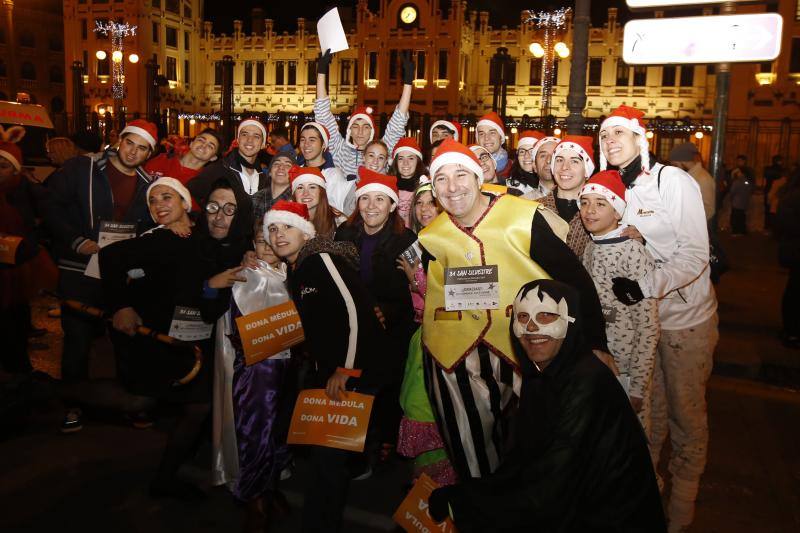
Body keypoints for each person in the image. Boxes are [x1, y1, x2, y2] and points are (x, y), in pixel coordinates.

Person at [420, 139, 608, 480]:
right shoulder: (432, 236)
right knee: (471, 451)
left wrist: (596, 342)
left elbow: (575, 280)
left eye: (461, 174)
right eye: (441, 179)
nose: (452, 186)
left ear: (479, 179)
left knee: (554, 442)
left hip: (530, 346)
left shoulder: (522, 218)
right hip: (458, 350)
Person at [427, 280, 666, 533]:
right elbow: (527, 461)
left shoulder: (587, 383)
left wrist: (463, 504)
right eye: (522, 316)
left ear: (570, 321)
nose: (531, 327)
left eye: (547, 315)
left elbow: (552, 484)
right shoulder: (541, 374)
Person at [598, 104, 718, 532]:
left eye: (619, 133)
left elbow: (694, 255)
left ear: (639, 138)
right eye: (605, 134)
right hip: (639, 325)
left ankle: (682, 509)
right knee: (648, 415)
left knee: (686, 416)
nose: (611, 140)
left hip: (685, 318)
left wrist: (645, 285)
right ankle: (648, 496)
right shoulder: (612, 187)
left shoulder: (674, 181)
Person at [100, 177, 253, 500]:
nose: (160, 206)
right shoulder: (165, 238)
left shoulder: (201, 234)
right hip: (165, 339)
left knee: (196, 406)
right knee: (153, 401)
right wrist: (121, 305)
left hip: (197, 340)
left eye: (167, 198)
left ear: (186, 202)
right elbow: (111, 257)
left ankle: (174, 469)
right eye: (153, 201)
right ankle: (62, 393)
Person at [265, 200, 393, 532]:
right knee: (327, 458)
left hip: (356, 370)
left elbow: (355, 310)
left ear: (304, 231)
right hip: (334, 370)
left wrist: (346, 369)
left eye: (286, 227)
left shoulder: (319, 259)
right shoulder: (297, 269)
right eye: (273, 229)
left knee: (330, 458)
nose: (279, 235)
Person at [39, 119, 159, 433]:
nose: (134, 151)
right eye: (130, 142)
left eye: (142, 147)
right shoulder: (83, 168)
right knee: (77, 339)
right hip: (80, 267)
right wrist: (75, 240)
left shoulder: (149, 184)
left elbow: (149, 226)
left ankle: (129, 402)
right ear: (119, 140)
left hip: (120, 274)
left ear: (149, 153)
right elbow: (51, 204)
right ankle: (73, 404)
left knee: (126, 339)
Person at [211, 219, 293, 530]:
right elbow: (234, 325)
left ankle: (271, 489)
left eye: (275, 238)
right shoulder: (248, 275)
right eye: (261, 240)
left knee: (278, 434)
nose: (268, 245)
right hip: (257, 370)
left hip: (286, 367)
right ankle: (254, 498)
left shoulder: (289, 273)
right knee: (256, 433)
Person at [335, 167, 417, 464]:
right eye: (365, 199)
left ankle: (384, 440)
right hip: (351, 326)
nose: (371, 206)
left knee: (385, 389)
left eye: (379, 200)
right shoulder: (344, 233)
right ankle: (351, 447)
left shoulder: (406, 240)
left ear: (393, 205)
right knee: (354, 389)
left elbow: (413, 291)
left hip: (390, 329)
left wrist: (388, 311)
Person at [579, 170, 659, 434]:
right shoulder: (592, 246)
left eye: (600, 204)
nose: (589, 211)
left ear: (617, 212)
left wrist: (638, 385)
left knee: (633, 441)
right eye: (585, 202)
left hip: (626, 366)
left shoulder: (633, 252)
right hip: (601, 362)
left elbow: (648, 324)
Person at [396, 178, 456, 486]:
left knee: (442, 417)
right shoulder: (413, 245)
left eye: (431, 202)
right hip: (420, 339)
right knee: (419, 408)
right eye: (419, 203)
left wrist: (416, 280)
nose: (423, 209)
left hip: (448, 341)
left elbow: (459, 303)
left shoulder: (455, 241)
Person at [314, 48, 413, 179]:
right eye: (355, 126)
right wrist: (321, 72)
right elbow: (323, 114)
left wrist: (408, 82)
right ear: (349, 130)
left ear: (372, 130)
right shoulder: (338, 148)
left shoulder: (381, 149)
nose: (360, 132)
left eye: (366, 127)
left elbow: (398, 121)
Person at [0, 135, 43, 375]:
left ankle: (19, 375)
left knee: (13, 322)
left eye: (4, 166)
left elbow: (33, 227)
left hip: (15, 270)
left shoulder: (20, 191)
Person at [188, 119, 270, 204]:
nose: (249, 140)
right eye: (244, 134)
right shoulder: (217, 169)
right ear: (238, 140)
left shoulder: (266, 178)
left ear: (263, 144)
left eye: (256, 136)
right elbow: (189, 198)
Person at [538, 135, 595, 258]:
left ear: (587, 170)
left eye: (574, 161)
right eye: (559, 160)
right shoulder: (534, 208)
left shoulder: (601, 213)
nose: (564, 167)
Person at [297, 121, 354, 215]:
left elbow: (343, 212)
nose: (306, 144)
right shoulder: (296, 171)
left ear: (323, 145)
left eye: (312, 140)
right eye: (303, 140)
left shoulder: (334, 175)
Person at [774, 169, 800, 348]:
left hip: (792, 250)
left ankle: (790, 329)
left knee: (793, 290)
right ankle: (792, 332)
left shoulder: (790, 195)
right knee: (795, 292)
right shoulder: (794, 197)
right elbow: (787, 224)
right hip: (795, 250)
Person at [145, 128, 222, 185]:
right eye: (201, 140)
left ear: (213, 158)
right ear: (191, 144)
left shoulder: (202, 182)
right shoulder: (163, 160)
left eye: (210, 146)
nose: (204, 145)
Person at [290, 165, 346, 239]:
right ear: (294, 195)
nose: (306, 193)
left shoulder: (338, 221)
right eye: (300, 188)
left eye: (312, 187)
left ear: (321, 193)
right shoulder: (287, 223)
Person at [668, 142, 715, 222]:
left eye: (675, 165)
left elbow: (708, 210)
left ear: (683, 162)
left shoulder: (702, 179)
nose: (674, 168)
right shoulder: (688, 176)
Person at [388, 137, 427, 227]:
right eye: (401, 158)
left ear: (418, 161)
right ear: (395, 162)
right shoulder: (388, 187)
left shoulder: (425, 188)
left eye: (411, 158)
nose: (405, 163)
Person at [252, 150, 296, 220]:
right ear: (270, 172)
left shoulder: (297, 201)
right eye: (276, 164)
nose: (281, 167)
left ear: (294, 174)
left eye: (287, 165)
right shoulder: (256, 198)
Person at [506, 130, 548, 199]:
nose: (526, 156)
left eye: (531, 151)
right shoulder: (513, 188)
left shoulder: (549, 181)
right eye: (522, 151)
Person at [475, 111, 513, 180]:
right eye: (481, 134)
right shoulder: (470, 168)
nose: (486, 138)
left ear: (501, 137)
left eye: (492, 133)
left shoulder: (514, 170)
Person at [729, 161, 753, 236]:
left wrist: (732, 198)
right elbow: (749, 190)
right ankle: (742, 231)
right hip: (744, 202)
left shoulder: (736, 182)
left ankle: (735, 231)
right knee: (742, 217)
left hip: (736, 203)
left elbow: (732, 192)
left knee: (735, 217)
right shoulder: (747, 182)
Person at [764, 155, 785, 230]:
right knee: (775, 210)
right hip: (777, 191)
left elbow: (766, 178)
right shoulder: (782, 170)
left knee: (768, 210)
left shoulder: (768, 169)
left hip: (769, 190)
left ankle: (767, 227)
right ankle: (774, 227)